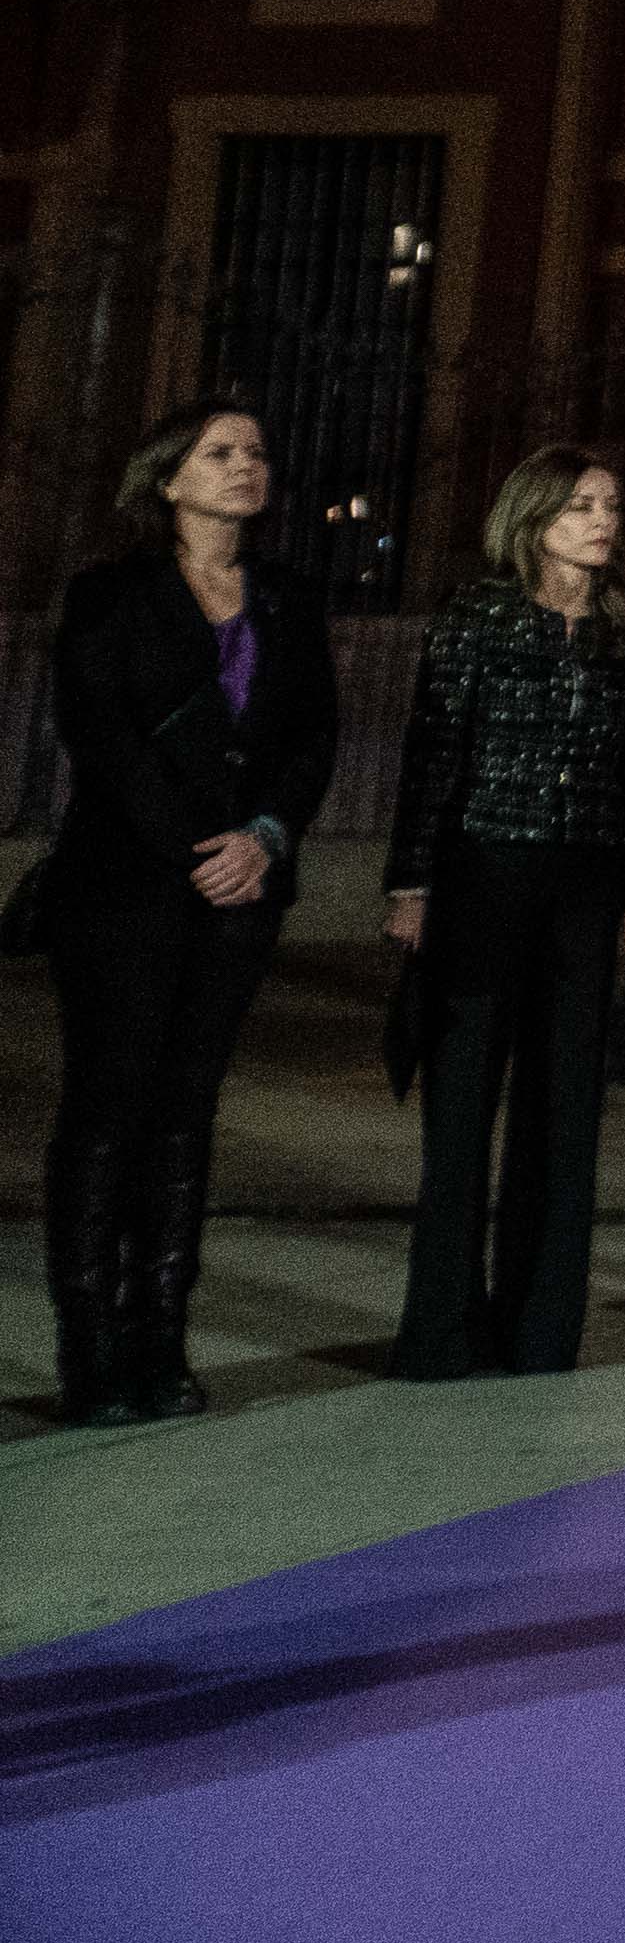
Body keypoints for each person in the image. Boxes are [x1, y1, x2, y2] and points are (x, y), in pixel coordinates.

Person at [37, 400, 334, 1424]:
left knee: (185, 1110)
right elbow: (102, 736)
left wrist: (263, 838)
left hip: (242, 890)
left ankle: (161, 1340)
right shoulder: (110, 594)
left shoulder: (287, 598)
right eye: (220, 452)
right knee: (107, 1106)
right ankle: (91, 1353)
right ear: (169, 479)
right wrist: (198, 846)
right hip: (125, 888)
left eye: (256, 452)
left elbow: (313, 737)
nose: (246, 465)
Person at [387, 446, 625, 1384]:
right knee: (462, 1104)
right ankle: (441, 1334)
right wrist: (411, 885)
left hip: (585, 883)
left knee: (567, 1105)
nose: (602, 521)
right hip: (483, 872)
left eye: (611, 504)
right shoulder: (477, 616)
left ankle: (542, 1333)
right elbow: (434, 751)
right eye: (581, 505)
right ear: (534, 516)